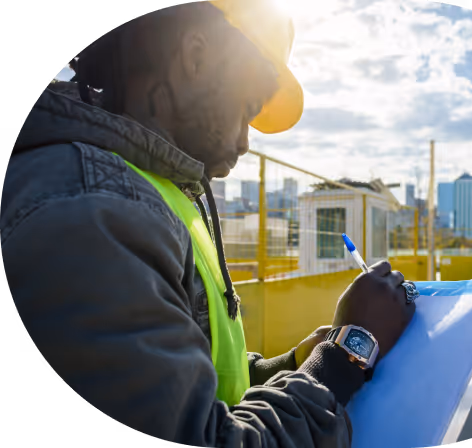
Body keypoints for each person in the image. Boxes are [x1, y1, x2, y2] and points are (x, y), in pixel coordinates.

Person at [2, 1, 415, 446]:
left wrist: (294, 362)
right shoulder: (91, 213)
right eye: (246, 108)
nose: (243, 140)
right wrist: (346, 353)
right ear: (194, 56)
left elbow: (206, 381)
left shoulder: (156, 193)